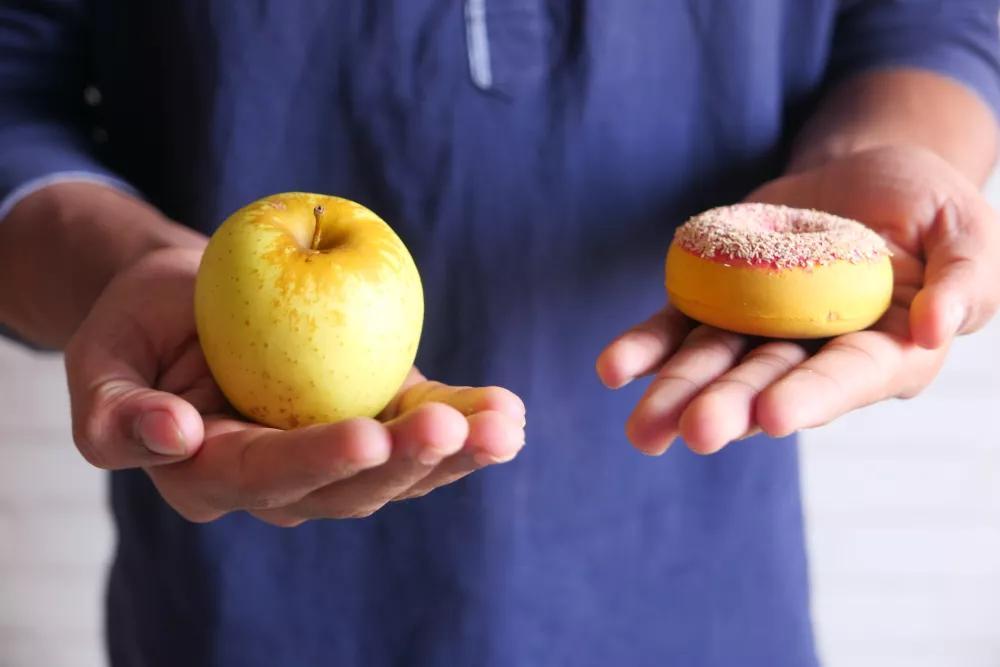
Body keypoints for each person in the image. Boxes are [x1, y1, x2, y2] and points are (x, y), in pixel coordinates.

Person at [2, 2, 1000, 665]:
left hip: (692, 588)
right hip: (240, 611)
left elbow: (926, 17)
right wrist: (118, 267)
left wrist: (893, 152)